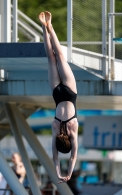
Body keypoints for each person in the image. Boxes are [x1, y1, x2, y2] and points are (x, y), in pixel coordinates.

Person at [39, 11, 78, 183]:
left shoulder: (72, 129)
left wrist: (68, 173)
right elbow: (55, 157)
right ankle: (44, 27)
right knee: (50, 59)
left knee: (59, 56)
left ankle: (51, 26)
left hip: (69, 92)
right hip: (57, 93)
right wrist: (57, 173)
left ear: (68, 143)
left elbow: (72, 157)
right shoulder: (56, 128)